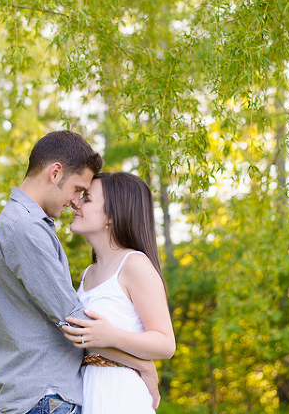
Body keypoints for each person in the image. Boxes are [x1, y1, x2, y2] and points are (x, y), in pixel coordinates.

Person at [0, 131, 159, 414]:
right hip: (46, 397)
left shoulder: (27, 224)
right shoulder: (24, 228)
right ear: (55, 173)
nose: (75, 201)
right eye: (78, 189)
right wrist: (142, 365)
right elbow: (74, 322)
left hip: (47, 398)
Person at [62, 172, 176, 414]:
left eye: (88, 199)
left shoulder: (134, 264)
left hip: (122, 396)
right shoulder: (88, 273)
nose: (76, 203)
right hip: (89, 391)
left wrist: (111, 335)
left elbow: (165, 343)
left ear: (112, 216)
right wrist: (143, 365)